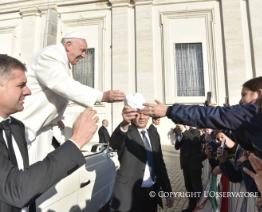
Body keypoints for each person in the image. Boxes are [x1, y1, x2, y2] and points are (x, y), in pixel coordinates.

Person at [142, 76, 262, 210]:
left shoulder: (261, 109)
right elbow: (241, 136)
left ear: (259, 94)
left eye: (244, 95)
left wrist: (169, 110)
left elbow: (216, 116)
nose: (240, 101)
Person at [0, 55, 98, 211]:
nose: (28, 91)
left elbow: (27, 179)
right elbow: (16, 189)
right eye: (21, 85)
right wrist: (76, 141)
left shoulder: (17, 127)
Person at [13, 32, 126, 164]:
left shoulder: (62, 60)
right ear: (68, 45)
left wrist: (56, 118)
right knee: (25, 174)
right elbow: (61, 84)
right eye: (82, 50)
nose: (84, 55)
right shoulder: (50, 55)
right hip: (27, 128)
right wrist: (101, 96)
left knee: (37, 175)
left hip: (41, 129)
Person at [109, 106, 173, 212]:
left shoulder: (154, 135)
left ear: (150, 116)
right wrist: (124, 123)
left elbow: (160, 166)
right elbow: (114, 143)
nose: (142, 117)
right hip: (130, 197)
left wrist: (168, 192)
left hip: (152, 195)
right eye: (138, 113)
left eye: (145, 113)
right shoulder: (126, 133)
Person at [174, 124, 202, 212]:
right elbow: (176, 147)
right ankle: (192, 205)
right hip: (185, 165)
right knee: (189, 187)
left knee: (197, 188)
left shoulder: (195, 131)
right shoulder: (181, 133)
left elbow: (196, 140)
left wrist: (184, 131)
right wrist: (179, 136)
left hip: (194, 165)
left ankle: (201, 206)